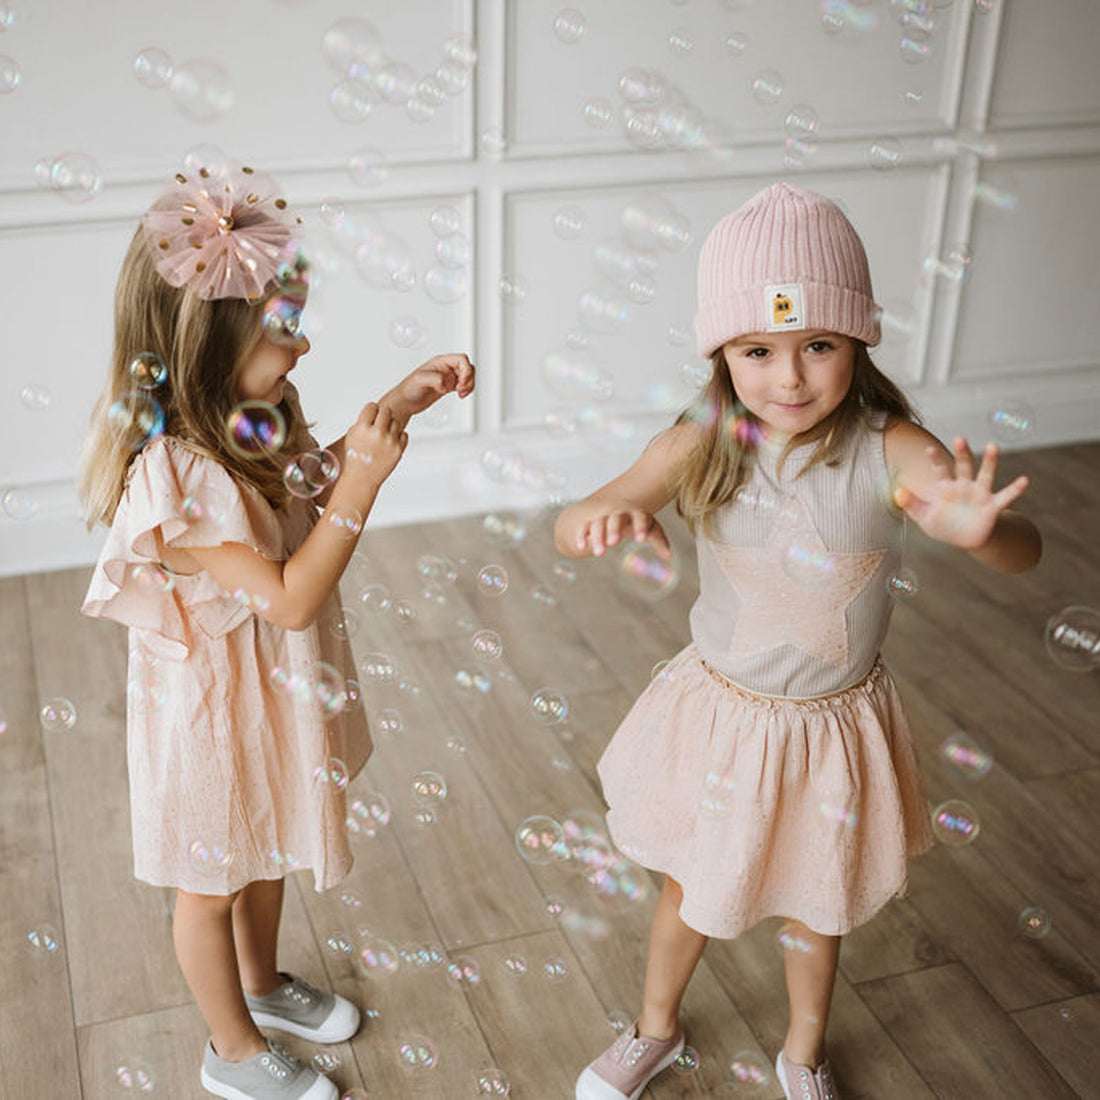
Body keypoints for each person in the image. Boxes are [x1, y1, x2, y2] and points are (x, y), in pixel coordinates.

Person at [557, 182, 1041, 1100]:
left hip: (830, 732)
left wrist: (980, 531)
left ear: (859, 340)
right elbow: (583, 511)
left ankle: (802, 1055)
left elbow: (1022, 554)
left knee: (817, 909)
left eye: (817, 344)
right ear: (722, 354)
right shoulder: (704, 437)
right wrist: (605, 514)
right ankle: (654, 1029)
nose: (789, 377)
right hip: (723, 721)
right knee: (689, 890)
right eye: (758, 350)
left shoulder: (891, 446)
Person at [78, 159, 475, 1100]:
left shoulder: (254, 420)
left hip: (270, 692)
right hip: (210, 713)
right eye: (281, 326)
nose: (299, 345)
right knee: (211, 883)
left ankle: (261, 986)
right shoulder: (174, 474)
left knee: (268, 849)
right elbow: (291, 595)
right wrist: (367, 487)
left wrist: (397, 406)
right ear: (208, 341)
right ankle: (231, 1051)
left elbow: (304, 498)